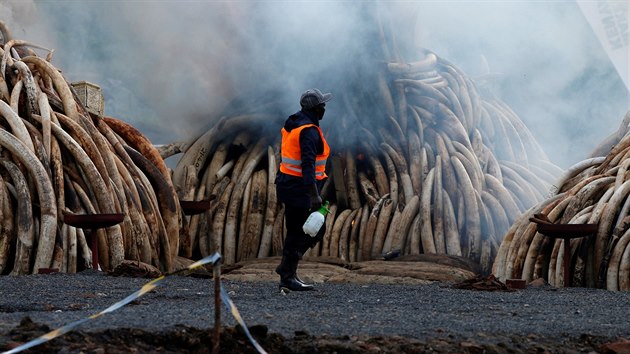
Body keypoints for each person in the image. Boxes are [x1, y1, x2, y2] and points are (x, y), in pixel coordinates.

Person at [275, 88, 332, 292]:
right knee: (316, 230)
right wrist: (314, 194)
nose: (324, 108)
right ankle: (286, 269)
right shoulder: (308, 131)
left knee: (294, 231)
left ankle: (288, 275)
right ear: (315, 109)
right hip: (300, 188)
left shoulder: (293, 124)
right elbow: (307, 164)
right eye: (322, 105)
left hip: (287, 184)